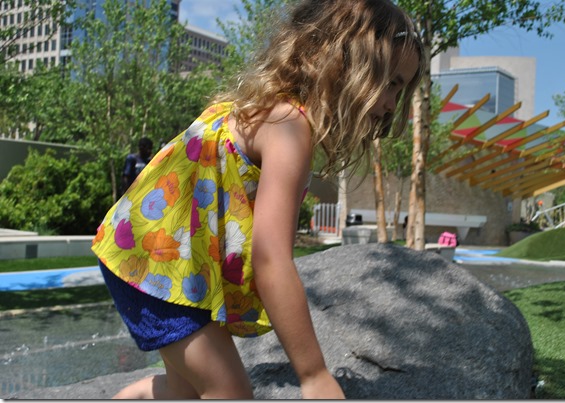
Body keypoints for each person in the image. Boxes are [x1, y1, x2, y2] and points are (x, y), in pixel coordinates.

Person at [91, 0, 425, 399]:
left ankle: (143, 394)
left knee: (192, 391)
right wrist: (314, 374)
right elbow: (270, 258)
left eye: (400, 89)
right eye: (390, 83)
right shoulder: (289, 127)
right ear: (344, 64)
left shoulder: (268, 109)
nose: (391, 104)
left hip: (161, 260)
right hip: (155, 267)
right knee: (230, 392)